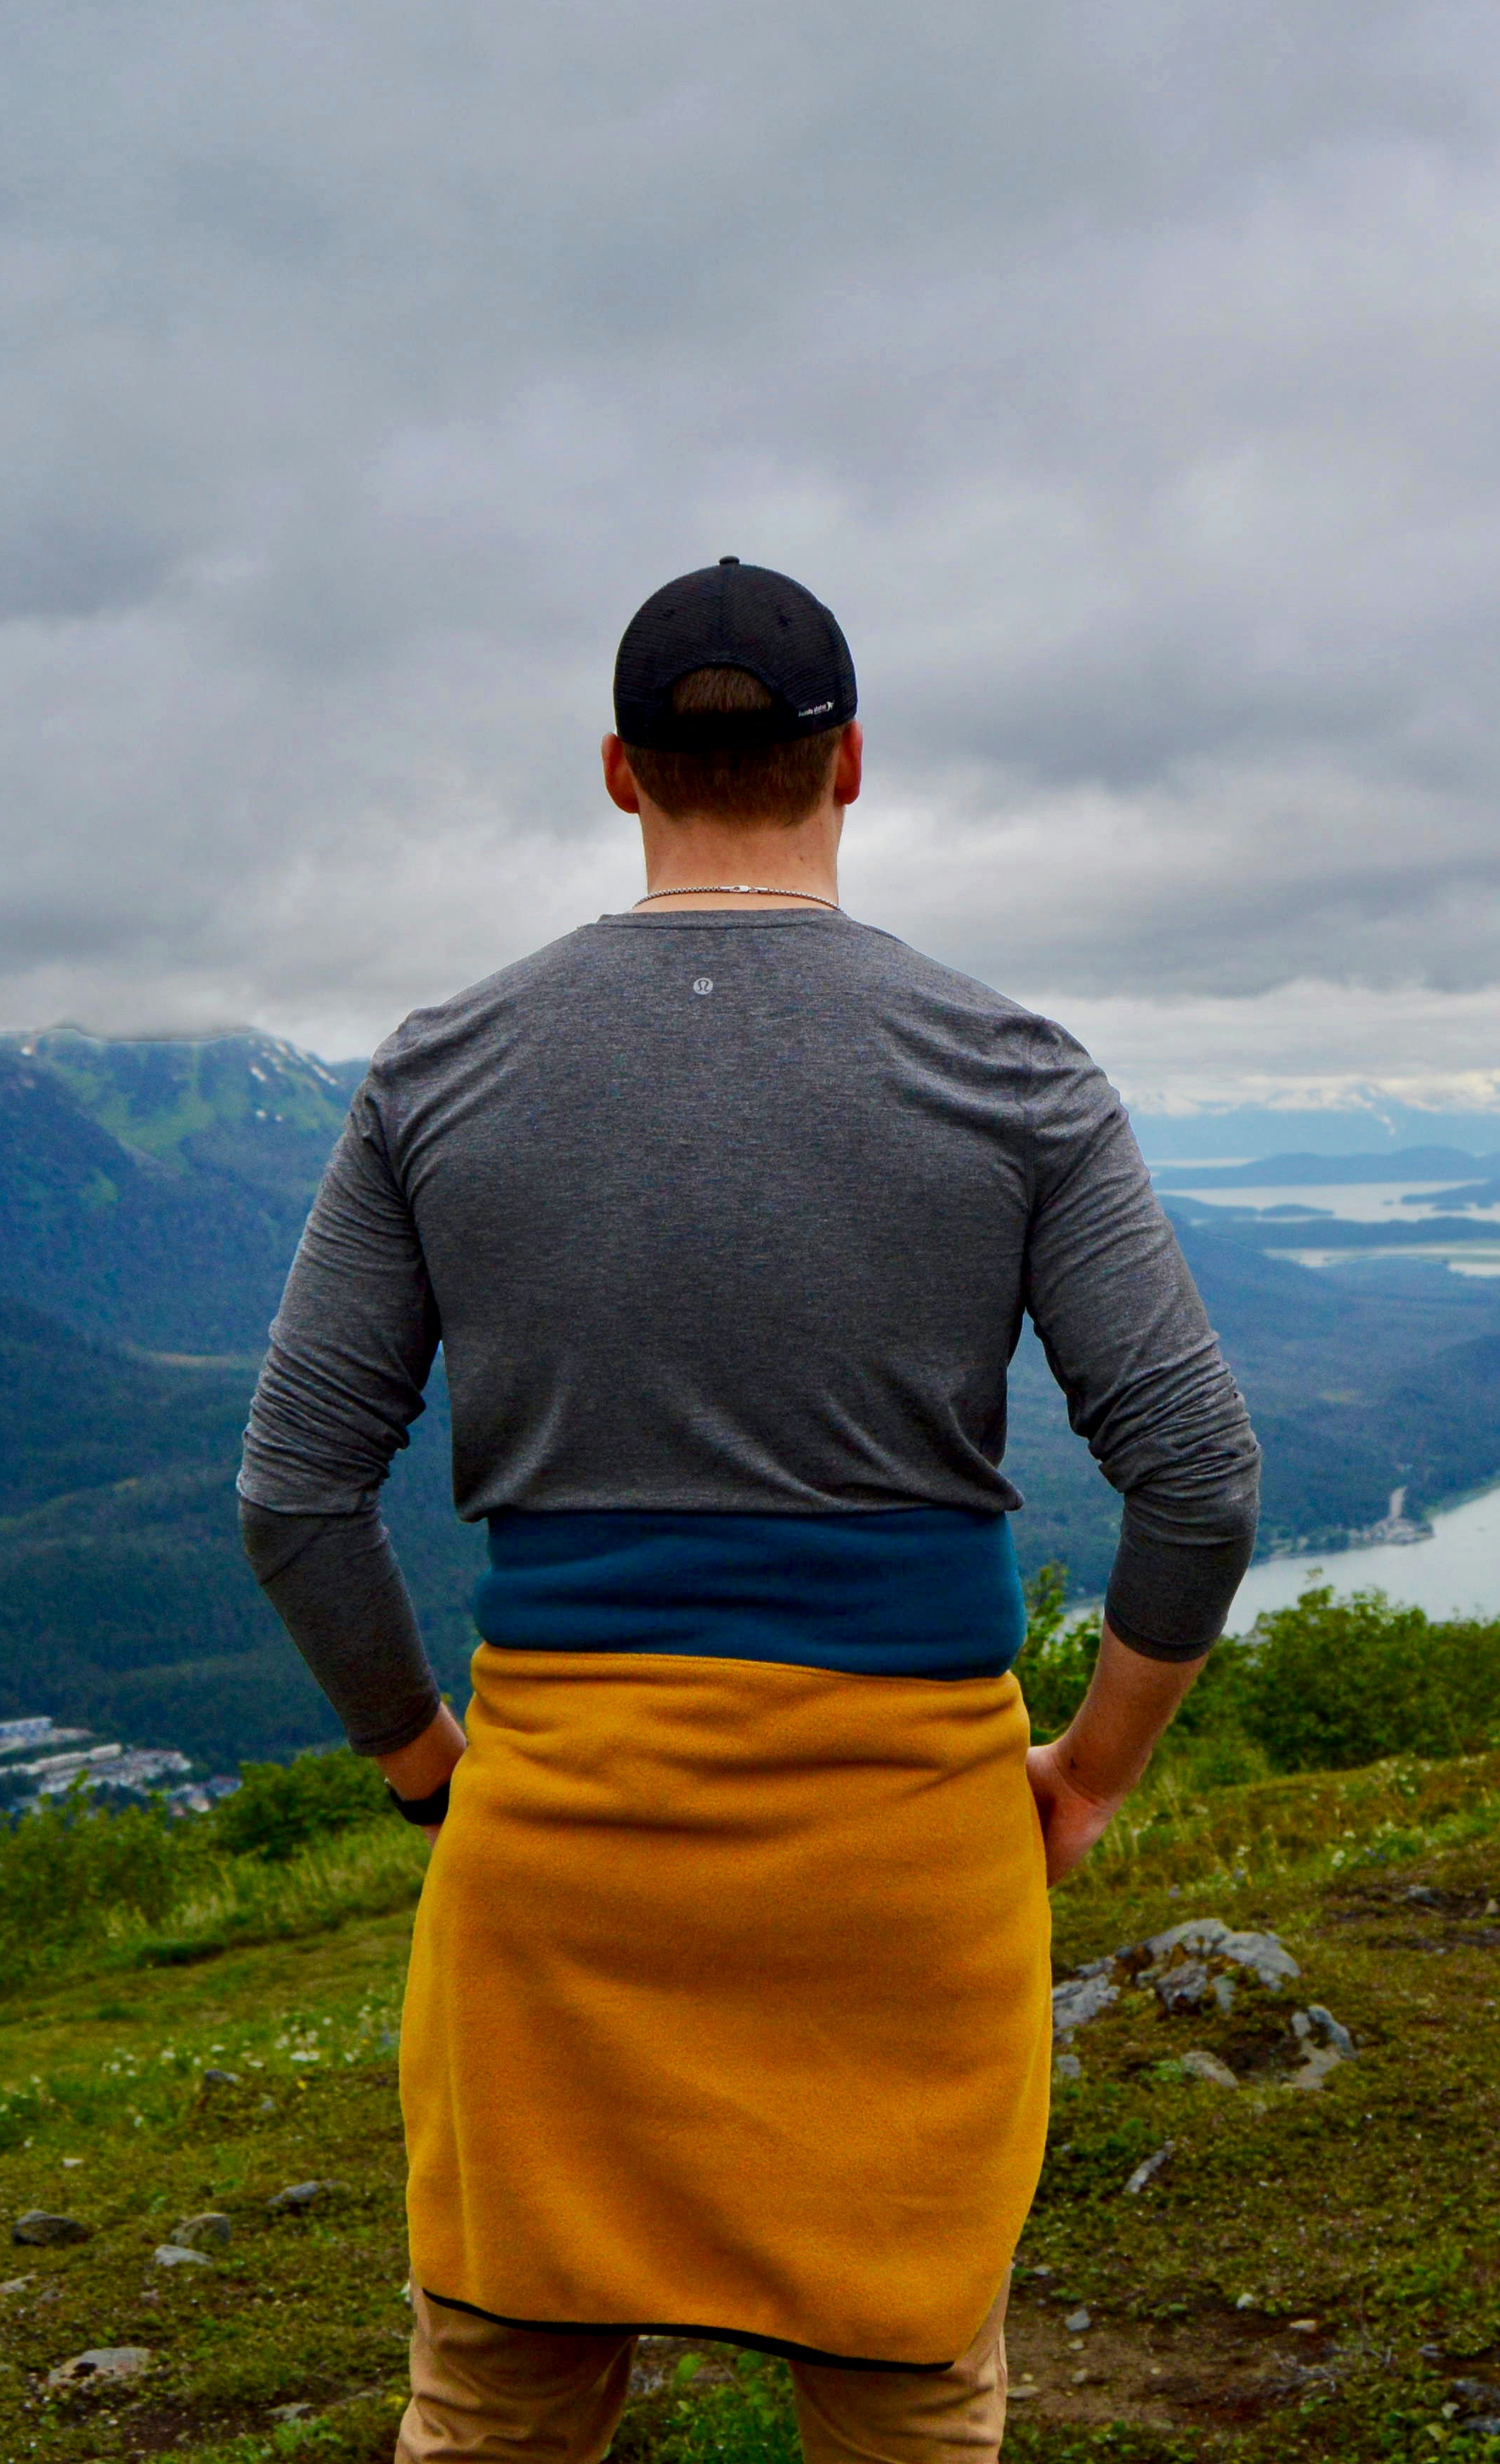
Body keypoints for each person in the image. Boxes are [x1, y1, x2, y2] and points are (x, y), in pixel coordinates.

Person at [235, 557, 1259, 2463]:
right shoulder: (1019, 1074)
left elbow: (297, 1493)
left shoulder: (435, 1074)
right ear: (850, 761)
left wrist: (437, 1776)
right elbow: (1196, 1480)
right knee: (908, 2402)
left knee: (495, 2414)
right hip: (906, 1862)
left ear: (621, 773)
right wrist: (1089, 1778)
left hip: (557, 1858)